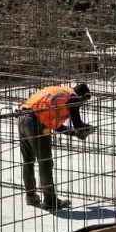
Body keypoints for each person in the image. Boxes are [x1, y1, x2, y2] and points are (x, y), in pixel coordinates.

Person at [18, 82, 94, 210]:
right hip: (37, 123)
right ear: (84, 96)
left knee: (28, 159)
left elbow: (57, 127)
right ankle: (50, 201)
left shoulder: (60, 93)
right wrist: (88, 129)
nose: (81, 104)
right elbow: (78, 125)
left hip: (22, 116)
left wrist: (73, 134)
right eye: (84, 101)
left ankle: (31, 196)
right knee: (45, 162)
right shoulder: (73, 97)